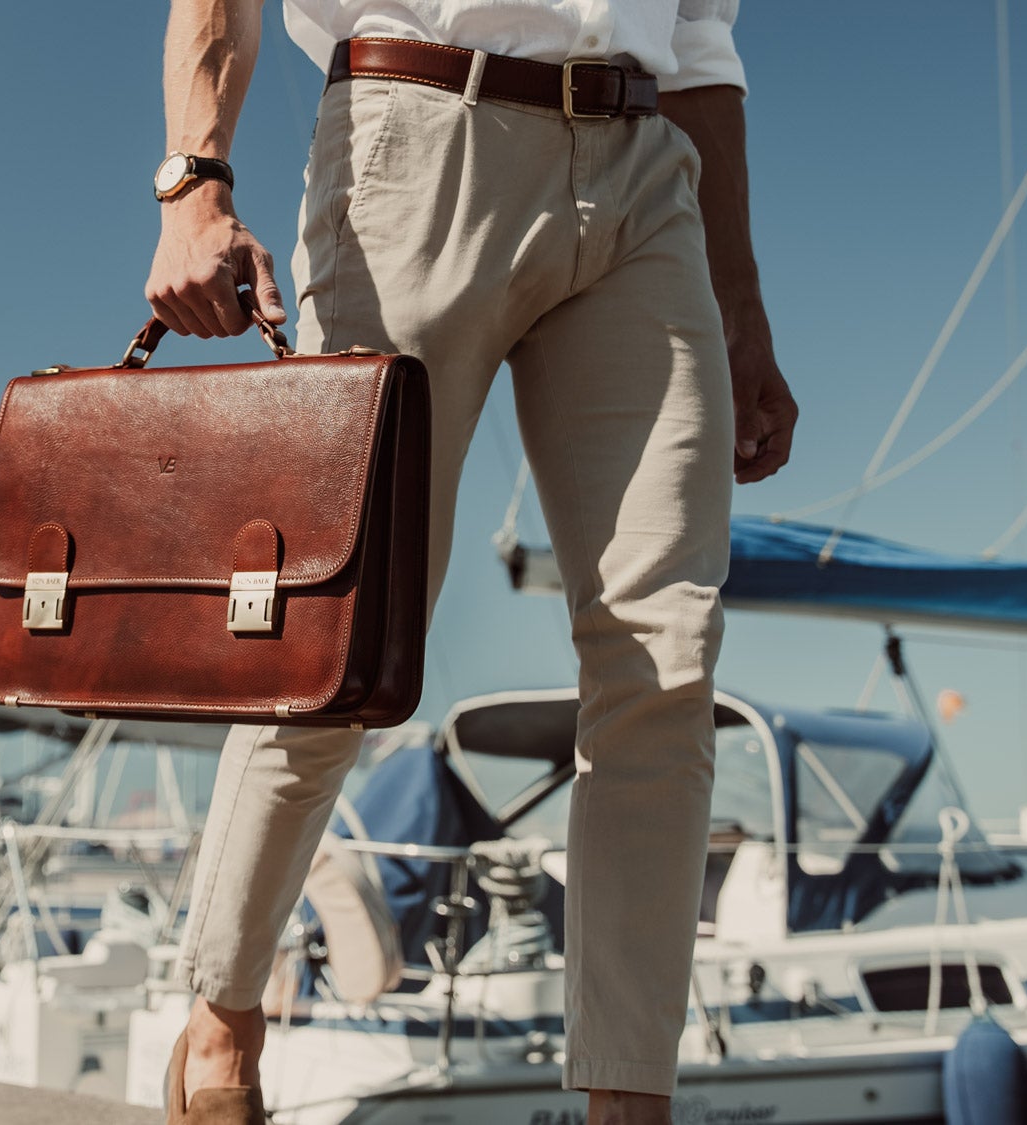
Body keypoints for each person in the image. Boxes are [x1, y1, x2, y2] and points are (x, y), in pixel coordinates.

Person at [145, 1, 796, 1122]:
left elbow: (699, 51)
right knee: (334, 637)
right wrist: (194, 184)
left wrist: (740, 307)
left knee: (664, 658)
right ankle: (221, 1021)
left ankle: (627, 1097)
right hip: (418, 134)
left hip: (645, 174)